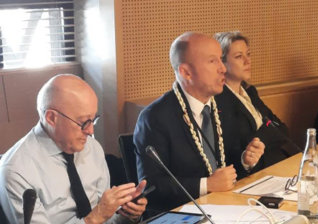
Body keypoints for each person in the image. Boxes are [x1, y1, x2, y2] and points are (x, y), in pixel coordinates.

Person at [0, 74, 147, 224]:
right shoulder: (16, 170)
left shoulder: (92, 148)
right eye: (83, 122)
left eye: (93, 120)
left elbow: (106, 219)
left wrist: (127, 215)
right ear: (51, 118)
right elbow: (99, 216)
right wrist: (95, 217)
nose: (90, 131)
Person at [134, 32, 240, 214]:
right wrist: (207, 184)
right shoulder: (155, 118)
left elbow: (228, 161)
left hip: (225, 206)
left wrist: (246, 159)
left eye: (221, 60)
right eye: (212, 61)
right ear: (185, 72)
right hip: (180, 214)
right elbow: (151, 186)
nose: (223, 68)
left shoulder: (224, 104)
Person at [214, 31, 300, 178]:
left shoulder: (250, 92)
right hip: (254, 174)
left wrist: (265, 132)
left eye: (248, 54)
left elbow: (282, 130)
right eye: (239, 56)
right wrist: (268, 130)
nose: (247, 61)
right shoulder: (219, 101)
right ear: (222, 63)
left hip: (278, 163)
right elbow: (237, 148)